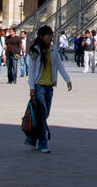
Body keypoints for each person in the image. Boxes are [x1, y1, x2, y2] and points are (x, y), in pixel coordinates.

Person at [24, 25, 72, 153]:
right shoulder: (36, 50)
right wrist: (31, 87)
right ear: (41, 36)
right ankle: (43, 144)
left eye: (51, 34)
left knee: (44, 114)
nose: (51, 37)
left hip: (50, 86)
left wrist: (67, 79)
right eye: (48, 34)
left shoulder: (53, 50)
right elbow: (32, 70)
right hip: (39, 86)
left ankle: (32, 139)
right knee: (42, 114)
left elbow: (60, 66)